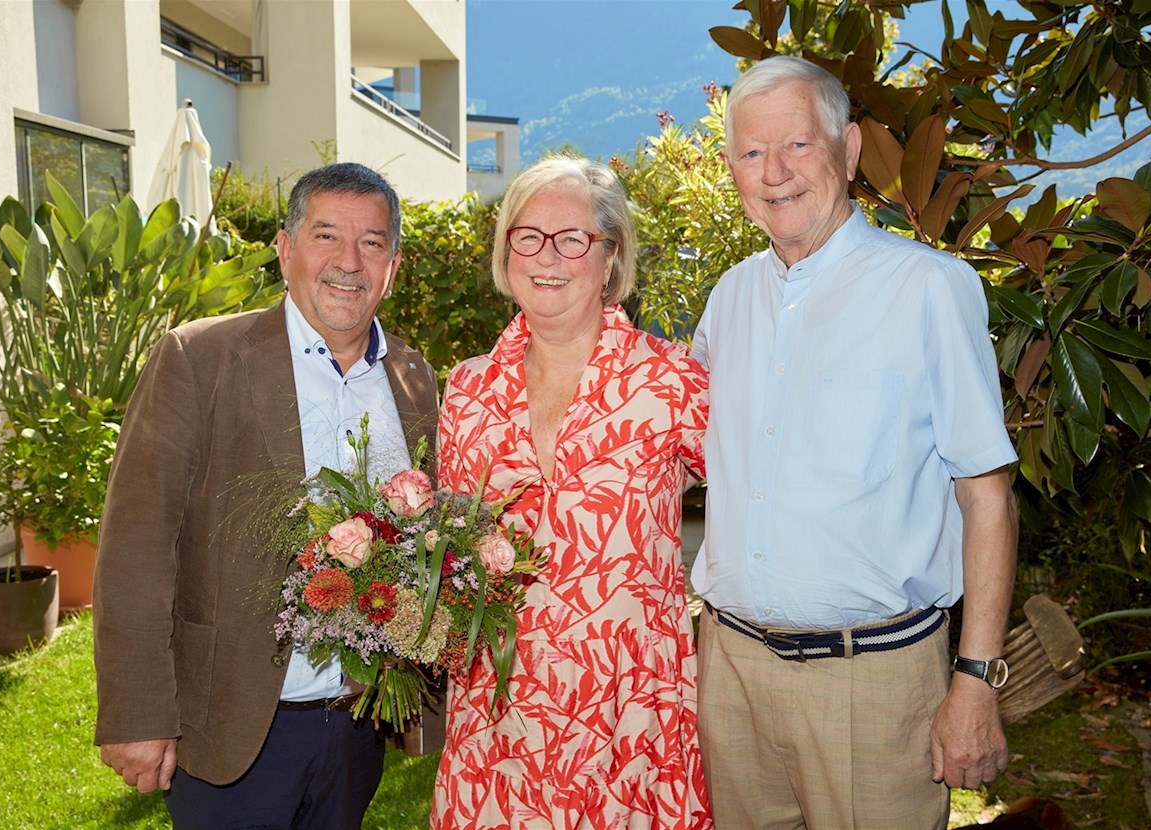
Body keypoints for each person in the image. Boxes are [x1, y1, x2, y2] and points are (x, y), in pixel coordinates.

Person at [691, 56, 1019, 829]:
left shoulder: (928, 289)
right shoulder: (729, 297)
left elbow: (987, 499)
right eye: (749, 153)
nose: (772, 173)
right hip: (729, 672)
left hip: (871, 680)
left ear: (846, 150)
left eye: (797, 146)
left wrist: (974, 682)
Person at [93, 163, 439, 829]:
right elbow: (137, 546)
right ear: (285, 250)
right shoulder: (199, 359)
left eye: (372, 243)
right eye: (325, 236)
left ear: (392, 265)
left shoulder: (412, 376)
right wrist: (137, 714)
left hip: (357, 724)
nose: (348, 262)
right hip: (230, 724)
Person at [431, 157, 712, 829]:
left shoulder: (670, 381)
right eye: (527, 236)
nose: (546, 257)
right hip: (497, 719)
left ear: (610, 257)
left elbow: (765, 501)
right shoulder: (467, 389)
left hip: (630, 717)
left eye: (572, 238)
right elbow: (445, 553)